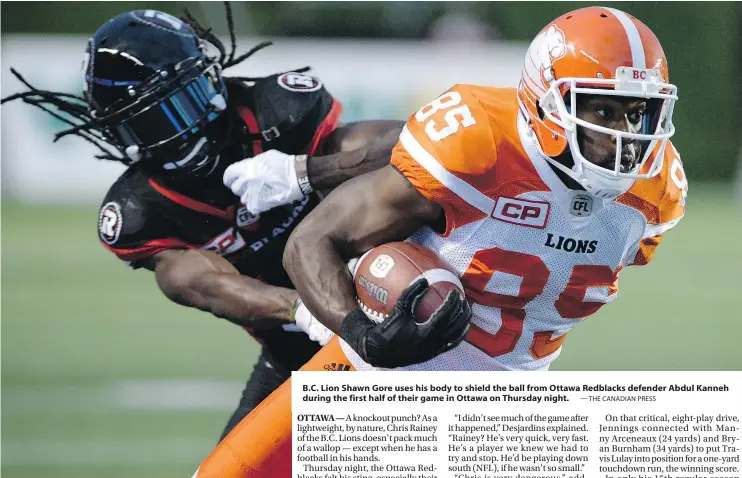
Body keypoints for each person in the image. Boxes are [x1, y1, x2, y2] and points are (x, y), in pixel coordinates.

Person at [190, 6, 688, 477]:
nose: (626, 137)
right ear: (546, 102)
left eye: (637, 114)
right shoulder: (479, 143)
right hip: (367, 376)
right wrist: (360, 331)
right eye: (602, 111)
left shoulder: (655, 194)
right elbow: (312, 239)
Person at [0, 6, 469, 440]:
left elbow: (415, 147)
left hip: (399, 305)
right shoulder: (141, 211)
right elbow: (202, 284)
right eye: (156, 121)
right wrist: (313, 313)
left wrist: (304, 172)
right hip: (304, 346)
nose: (183, 128)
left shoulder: (273, 110)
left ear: (210, 80)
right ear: (124, 134)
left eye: (186, 102)